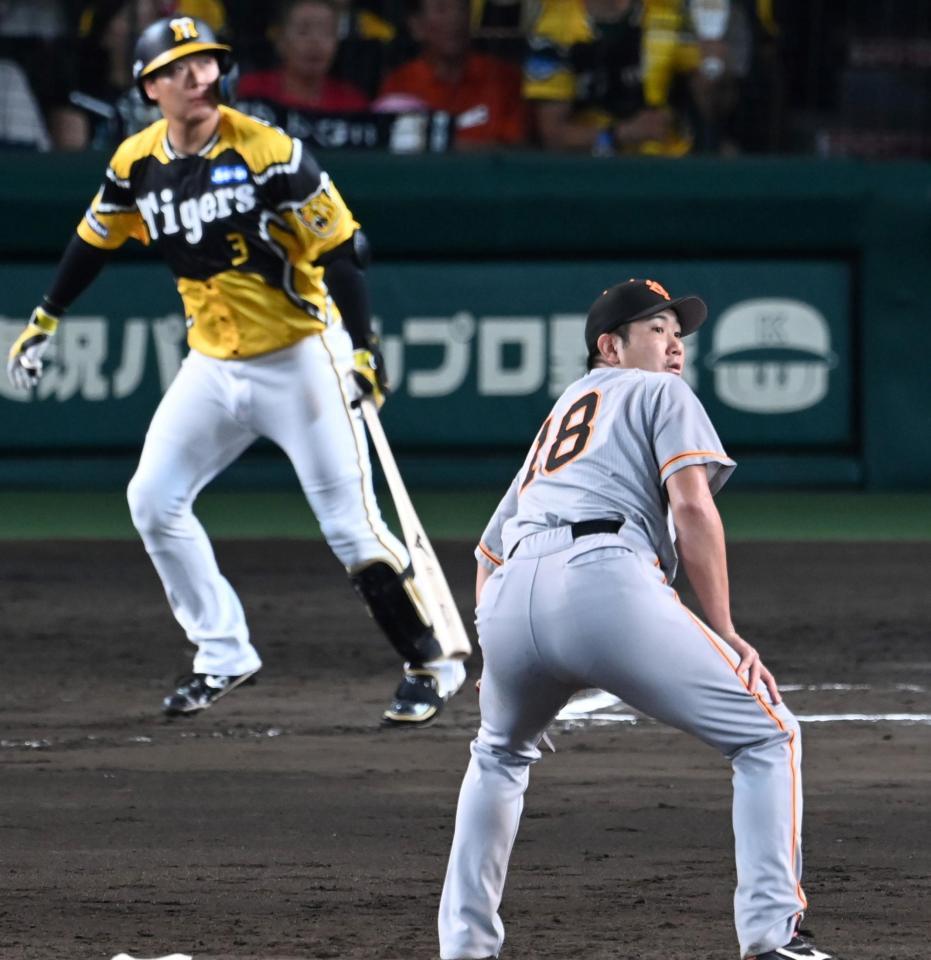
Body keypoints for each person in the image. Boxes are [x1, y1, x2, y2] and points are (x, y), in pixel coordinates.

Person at [6, 15, 466, 727]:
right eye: (179, 68)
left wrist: (364, 349)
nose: (199, 77)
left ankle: (432, 664)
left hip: (302, 358)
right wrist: (45, 316)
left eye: (207, 62)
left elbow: (344, 249)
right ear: (150, 86)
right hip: (214, 366)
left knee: (353, 529)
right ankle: (222, 652)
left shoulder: (270, 151)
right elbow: (93, 239)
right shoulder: (136, 160)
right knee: (153, 500)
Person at [437, 279, 836, 959]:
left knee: (497, 756)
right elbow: (691, 507)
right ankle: (773, 937)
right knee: (767, 736)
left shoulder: (562, 413)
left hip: (509, 599)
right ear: (610, 346)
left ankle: (465, 947)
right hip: (603, 581)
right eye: (656, 329)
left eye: (678, 333)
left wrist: (491, 654)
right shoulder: (660, 393)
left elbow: (488, 551)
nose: (675, 345)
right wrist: (724, 629)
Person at [376, 0, 526, 149]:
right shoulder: (399, 85)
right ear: (416, 25)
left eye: (462, 8)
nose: (455, 18)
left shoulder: (503, 78)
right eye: (441, 9)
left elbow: (516, 149)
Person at [237, 0, 369, 112]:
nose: (315, 42)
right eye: (303, 31)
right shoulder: (252, 92)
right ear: (281, 41)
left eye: (326, 32)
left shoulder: (353, 103)